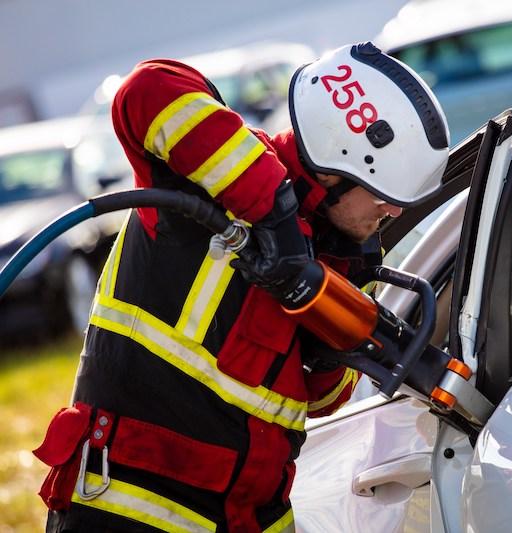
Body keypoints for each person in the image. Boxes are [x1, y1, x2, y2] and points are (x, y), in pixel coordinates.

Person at [33, 41, 449, 532]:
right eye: (384, 193)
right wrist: (273, 215)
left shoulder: (344, 256)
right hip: (129, 506)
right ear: (339, 162)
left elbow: (321, 404)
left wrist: (323, 349)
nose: (393, 211)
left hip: (255, 518)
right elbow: (144, 90)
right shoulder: (208, 182)